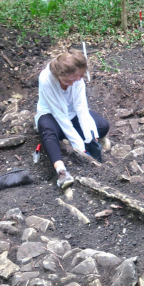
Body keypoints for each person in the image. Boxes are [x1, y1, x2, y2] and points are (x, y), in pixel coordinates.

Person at [35, 50, 110, 188]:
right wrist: (79, 147)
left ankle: (68, 137)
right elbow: (60, 116)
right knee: (47, 130)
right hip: (52, 115)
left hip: (72, 114)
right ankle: (61, 171)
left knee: (102, 126)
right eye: (70, 79)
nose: (75, 81)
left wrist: (90, 136)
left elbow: (81, 108)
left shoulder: (78, 78)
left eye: (79, 77)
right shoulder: (46, 79)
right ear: (59, 75)